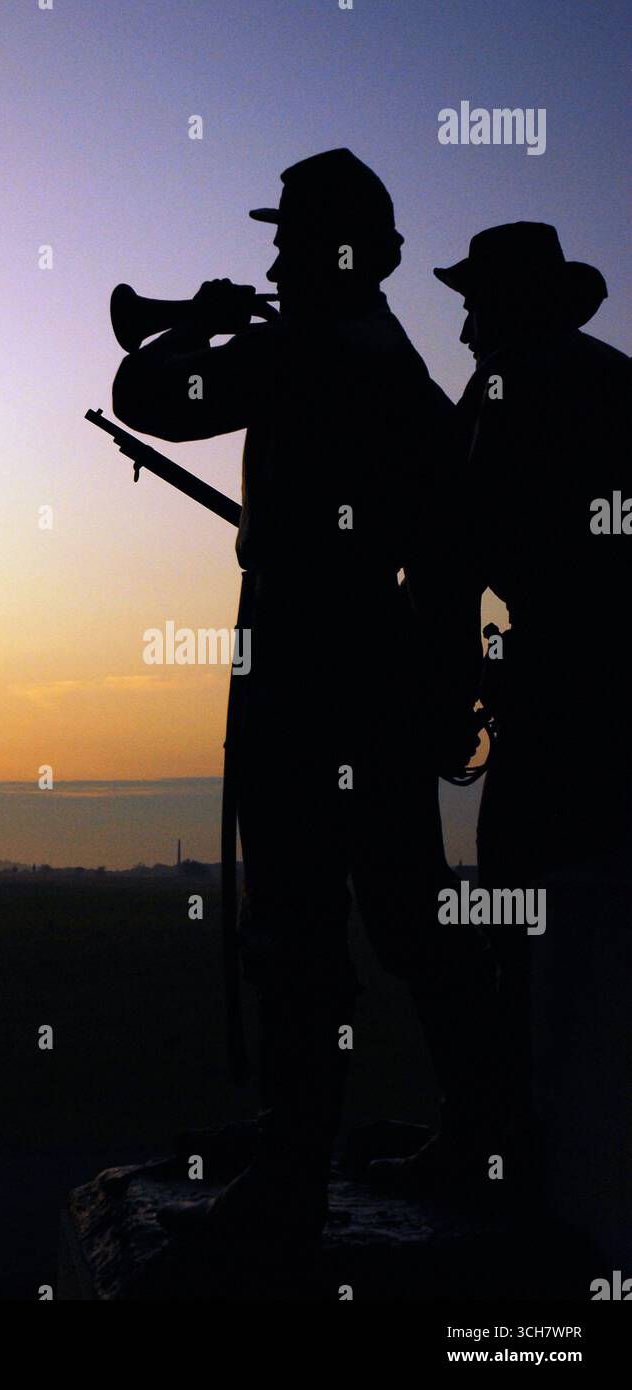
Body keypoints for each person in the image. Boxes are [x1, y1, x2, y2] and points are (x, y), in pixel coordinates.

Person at [112, 150, 496, 1243]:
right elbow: (446, 549)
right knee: (412, 907)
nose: (274, 255)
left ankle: (291, 1164)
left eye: (289, 239)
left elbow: (145, 394)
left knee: (295, 923)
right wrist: (439, 685)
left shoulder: (300, 350)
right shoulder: (397, 363)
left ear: (338, 251)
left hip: (306, 664)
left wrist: (199, 327)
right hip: (374, 658)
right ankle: (479, 1124)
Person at [425, 222, 631, 1159]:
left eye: (472, 304)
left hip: (563, 687)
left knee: (512, 901)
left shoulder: (506, 384)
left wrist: (445, 693)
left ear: (505, 306)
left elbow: (453, 553)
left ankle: (494, 1141)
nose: (463, 327)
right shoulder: (610, 375)